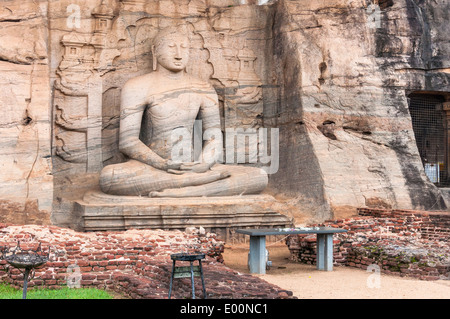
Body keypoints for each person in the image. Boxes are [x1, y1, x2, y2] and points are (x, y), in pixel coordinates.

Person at [99, 25, 267, 197]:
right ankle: (194, 186)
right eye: (171, 47)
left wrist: (203, 164)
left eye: (184, 48)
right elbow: (128, 142)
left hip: (193, 166)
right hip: (152, 167)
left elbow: (214, 140)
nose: (179, 53)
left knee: (258, 176)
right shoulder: (137, 86)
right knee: (109, 178)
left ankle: (180, 189)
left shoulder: (203, 88)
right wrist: (162, 164)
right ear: (155, 51)